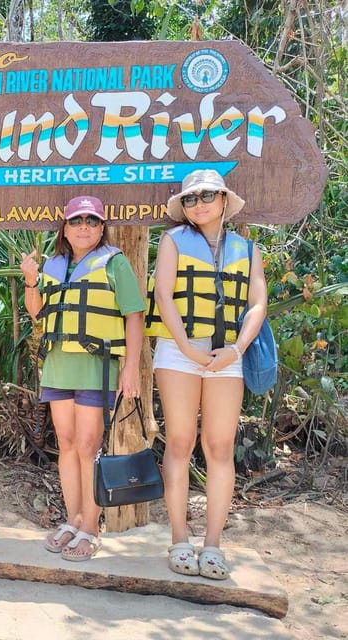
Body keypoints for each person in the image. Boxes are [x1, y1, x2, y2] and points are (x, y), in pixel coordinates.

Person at [145, 169, 267, 580]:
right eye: (191, 199)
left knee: (219, 446)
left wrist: (236, 349)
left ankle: (213, 544)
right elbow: (164, 294)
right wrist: (185, 348)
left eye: (206, 196)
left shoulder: (247, 249)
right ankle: (179, 538)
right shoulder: (173, 241)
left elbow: (256, 304)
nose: (199, 205)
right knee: (179, 441)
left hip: (227, 355)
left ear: (223, 199)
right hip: (181, 352)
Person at [21, 195, 144, 561]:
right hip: (59, 362)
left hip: (97, 365)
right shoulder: (55, 265)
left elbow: (134, 316)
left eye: (92, 221)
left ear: (102, 227)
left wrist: (130, 368)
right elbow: (37, 312)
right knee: (68, 443)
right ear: (65, 227)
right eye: (77, 221)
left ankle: (92, 527)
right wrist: (31, 281)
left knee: (89, 447)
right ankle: (73, 519)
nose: (84, 227)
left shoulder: (115, 263)